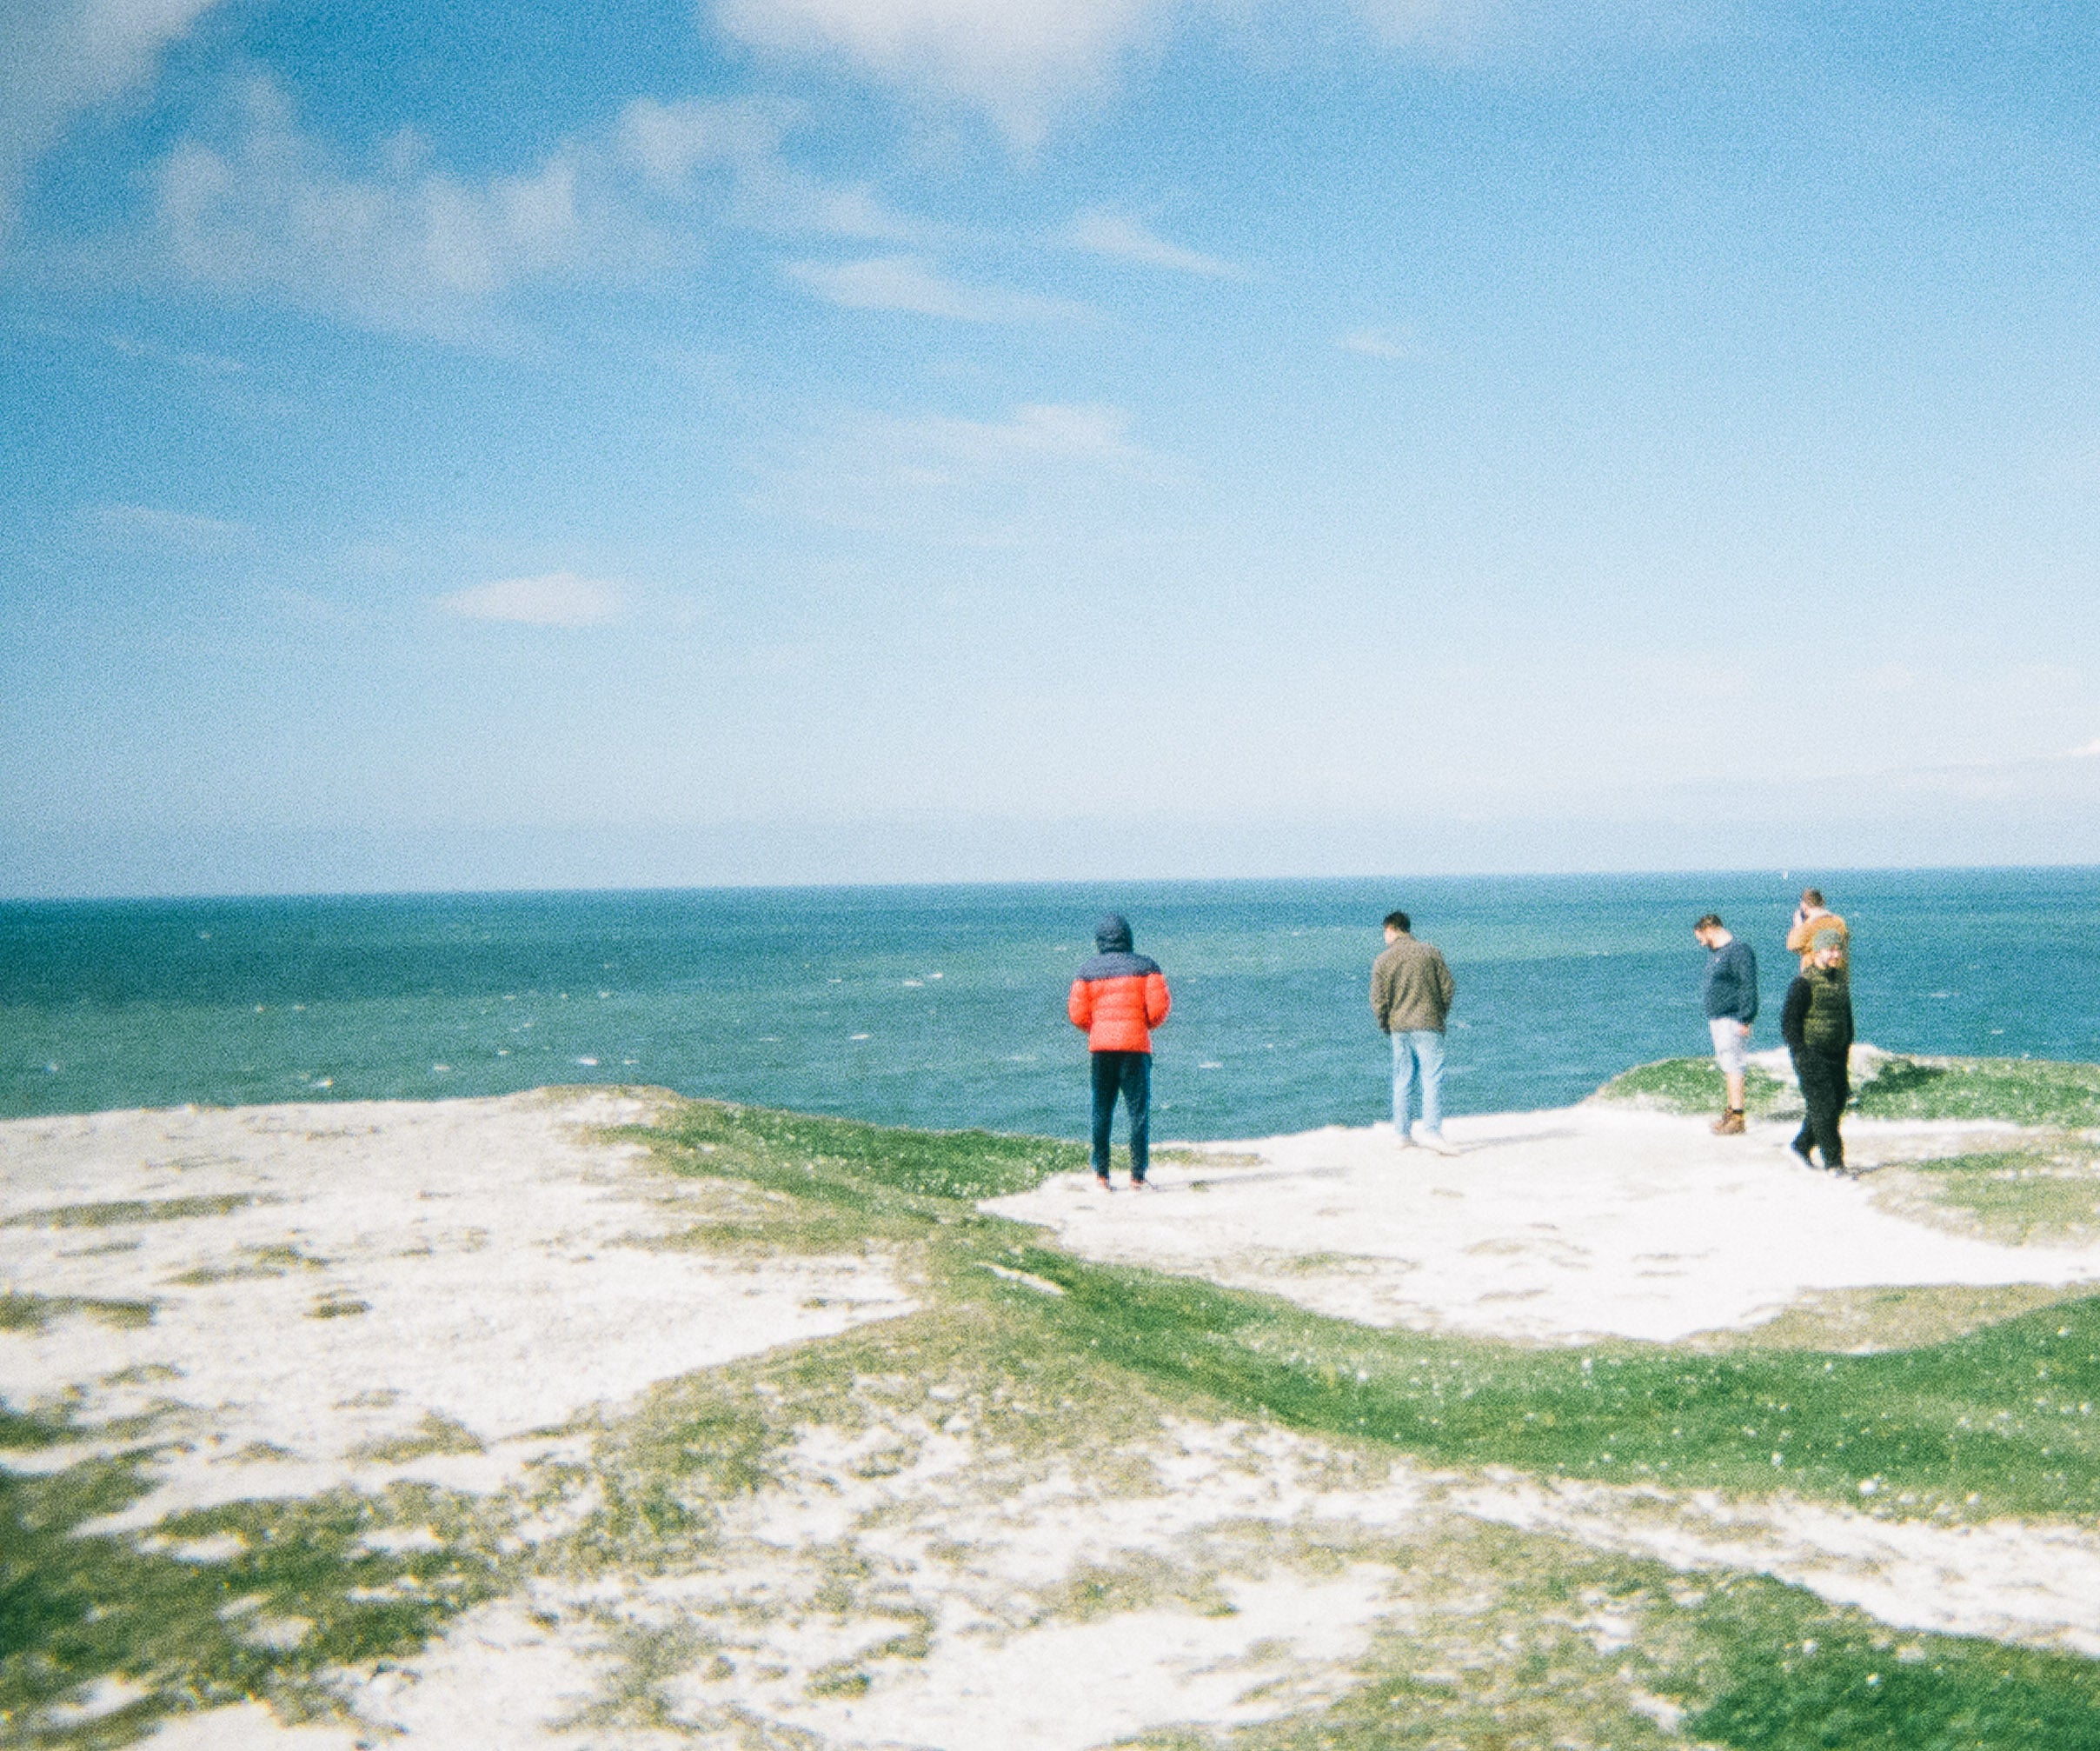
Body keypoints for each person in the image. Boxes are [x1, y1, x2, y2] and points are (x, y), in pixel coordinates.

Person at [1068, 914, 1172, 1190]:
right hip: (1135, 1048)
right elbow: (1159, 1010)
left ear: (1100, 940)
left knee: (1101, 1111)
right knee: (1137, 1113)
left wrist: (1098, 1028)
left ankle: (1102, 1176)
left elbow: (1077, 1015)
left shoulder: (1087, 971)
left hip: (1101, 1049)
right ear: (1128, 937)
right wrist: (1143, 1024)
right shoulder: (1146, 966)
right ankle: (1137, 1178)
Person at [1370, 910, 1459, 1155]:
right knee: (1432, 1077)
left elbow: (1378, 999)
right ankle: (1431, 1131)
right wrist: (1440, 1013)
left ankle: (1402, 1133)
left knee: (1403, 1079)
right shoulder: (1430, 952)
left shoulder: (1383, 960)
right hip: (1428, 1022)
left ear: (1390, 929)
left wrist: (1385, 1023)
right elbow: (1448, 987)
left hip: (1399, 1026)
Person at [1781, 928, 1855, 1172]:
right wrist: (1800, 1053)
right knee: (1823, 1107)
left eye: (1838, 949)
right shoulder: (1803, 983)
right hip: (1812, 1054)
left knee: (1837, 1102)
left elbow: (1846, 1017)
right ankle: (1835, 1164)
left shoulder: (1840, 981)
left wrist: (1846, 1046)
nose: (1836, 954)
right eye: (1831, 949)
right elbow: (1789, 1022)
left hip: (1836, 1054)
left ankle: (1800, 1146)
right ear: (1818, 952)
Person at [1692, 913, 1758, 1135]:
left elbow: (1748, 984)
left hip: (1732, 1017)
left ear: (1709, 930)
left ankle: (1738, 1116)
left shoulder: (1738, 951)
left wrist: (1746, 1017)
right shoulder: (1718, 953)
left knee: (1734, 1064)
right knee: (1727, 1063)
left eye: (1700, 937)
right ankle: (1731, 1110)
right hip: (1719, 1018)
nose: (1701, 943)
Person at [1784, 887, 1850, 971]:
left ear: (1804, 907)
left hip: (1815, 976)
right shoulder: (1839, 922)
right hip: (1838, 976)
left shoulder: (1809, 926)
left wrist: (1798, 925)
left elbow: (1793, 945)